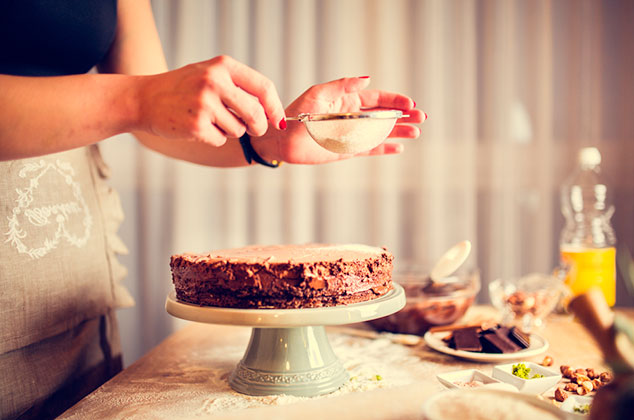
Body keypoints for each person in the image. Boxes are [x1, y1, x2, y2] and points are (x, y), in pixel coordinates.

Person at [0, 1, 424, 419]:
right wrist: (138, 98)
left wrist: (271, 140)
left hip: (76, 284)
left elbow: (160, 120)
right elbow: (141, 99)